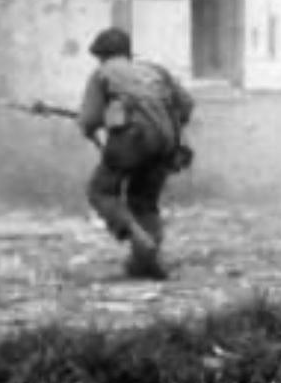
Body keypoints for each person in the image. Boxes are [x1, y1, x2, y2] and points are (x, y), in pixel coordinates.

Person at [70, 26, 194, 279]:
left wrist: (89, 126)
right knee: (144, 201)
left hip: (132, 140)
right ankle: (145, 263)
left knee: (101, 192)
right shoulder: (155, 71)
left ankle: (140, 241)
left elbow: (89, 120)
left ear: (102, 55)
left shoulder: (103, 73)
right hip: (167, 142)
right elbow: (186, 105)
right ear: (127, 52)